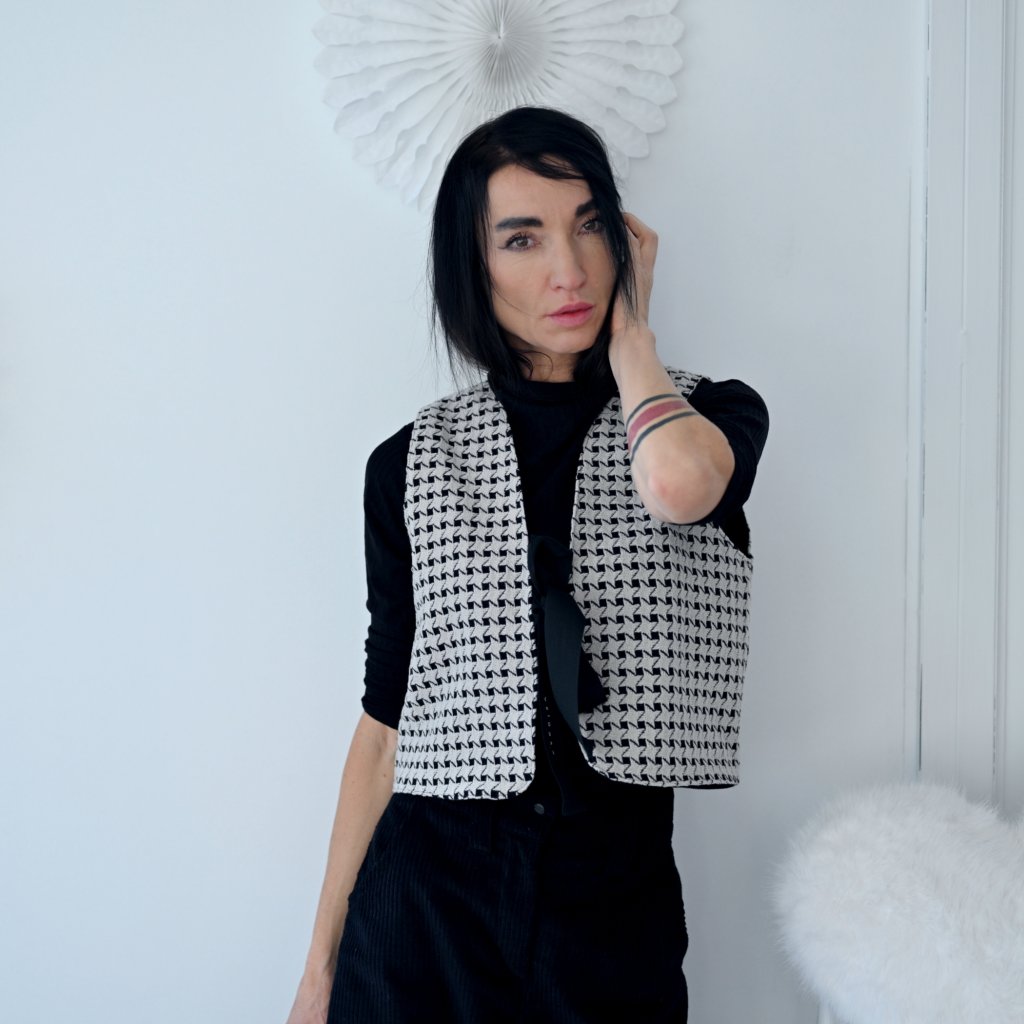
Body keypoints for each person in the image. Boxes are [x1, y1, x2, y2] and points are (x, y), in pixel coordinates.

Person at [285, 106, 769, 1024]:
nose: (569, 269)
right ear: (473, 266)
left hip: (611, 912)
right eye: (522, 238)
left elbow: (677, 487)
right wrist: (319, 972)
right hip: (427, 904)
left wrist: (634, 345)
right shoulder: (407, 464)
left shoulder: (711, 418)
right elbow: (384, 727)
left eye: (590, 226)